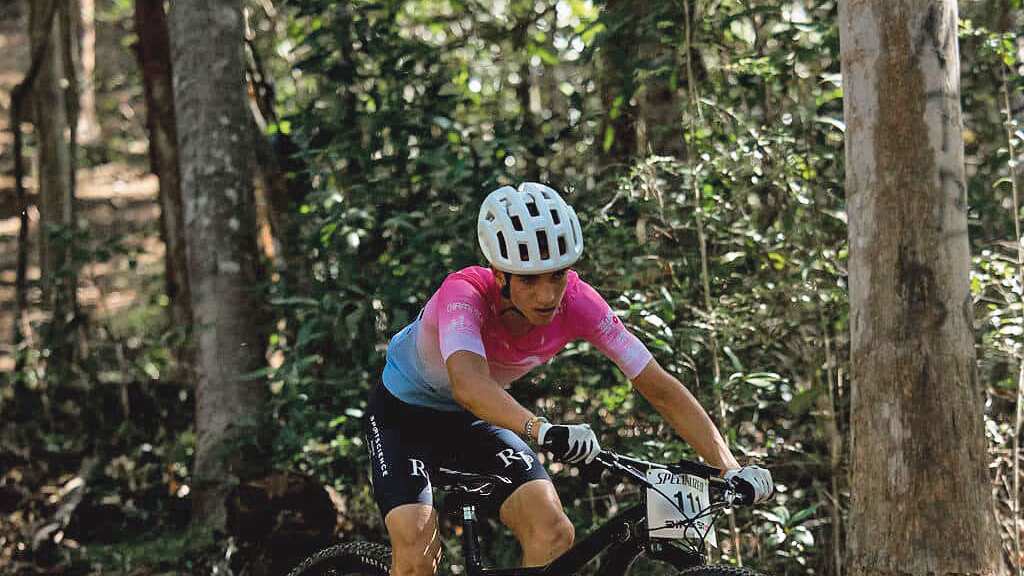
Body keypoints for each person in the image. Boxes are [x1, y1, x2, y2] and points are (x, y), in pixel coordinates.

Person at [363, 182, 773, 576]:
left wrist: (728, 467)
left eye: (557, 274)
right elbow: (469, 386)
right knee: (417, 557)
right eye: (528, 279)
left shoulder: (578, 302)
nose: (546, 295)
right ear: (500, 275)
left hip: (473, 422)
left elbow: (658, 386)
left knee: (554, 532)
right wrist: (542, 429)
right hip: (404, 419)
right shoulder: (464, 294)